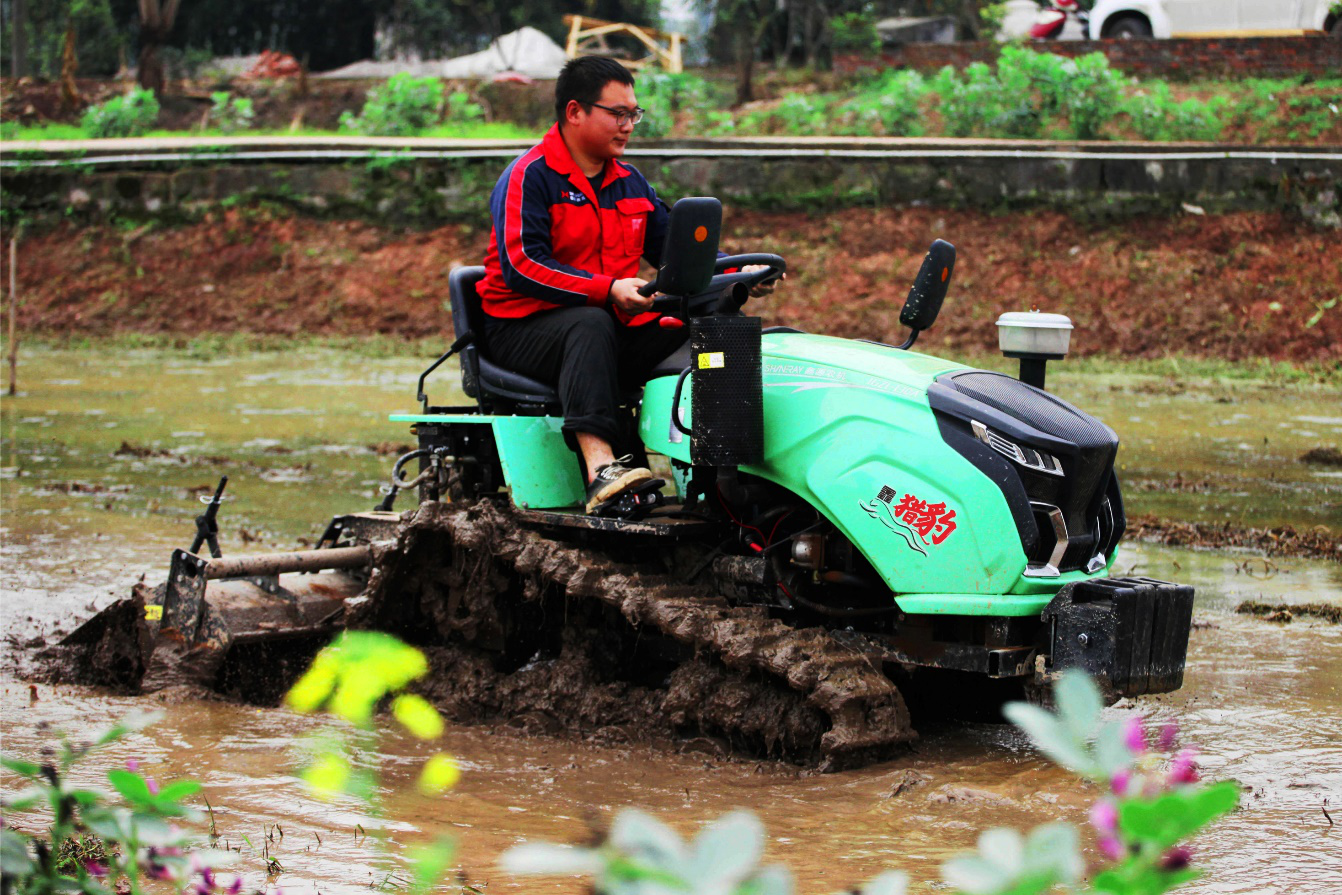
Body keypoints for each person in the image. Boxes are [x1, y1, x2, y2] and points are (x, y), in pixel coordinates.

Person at [476, 57, 697, 513]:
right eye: (617, 114)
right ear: (575, 111)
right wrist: (607, 288)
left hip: (606, 327)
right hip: (521, 330)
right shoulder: (529, 177)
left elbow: (676, 253)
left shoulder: (630, 181)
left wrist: (734, 275)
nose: (628, 125)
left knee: (699, 318)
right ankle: (601, 468)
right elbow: (522, 265)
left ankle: (713, 469)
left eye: (633, 114)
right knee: (589, 321)